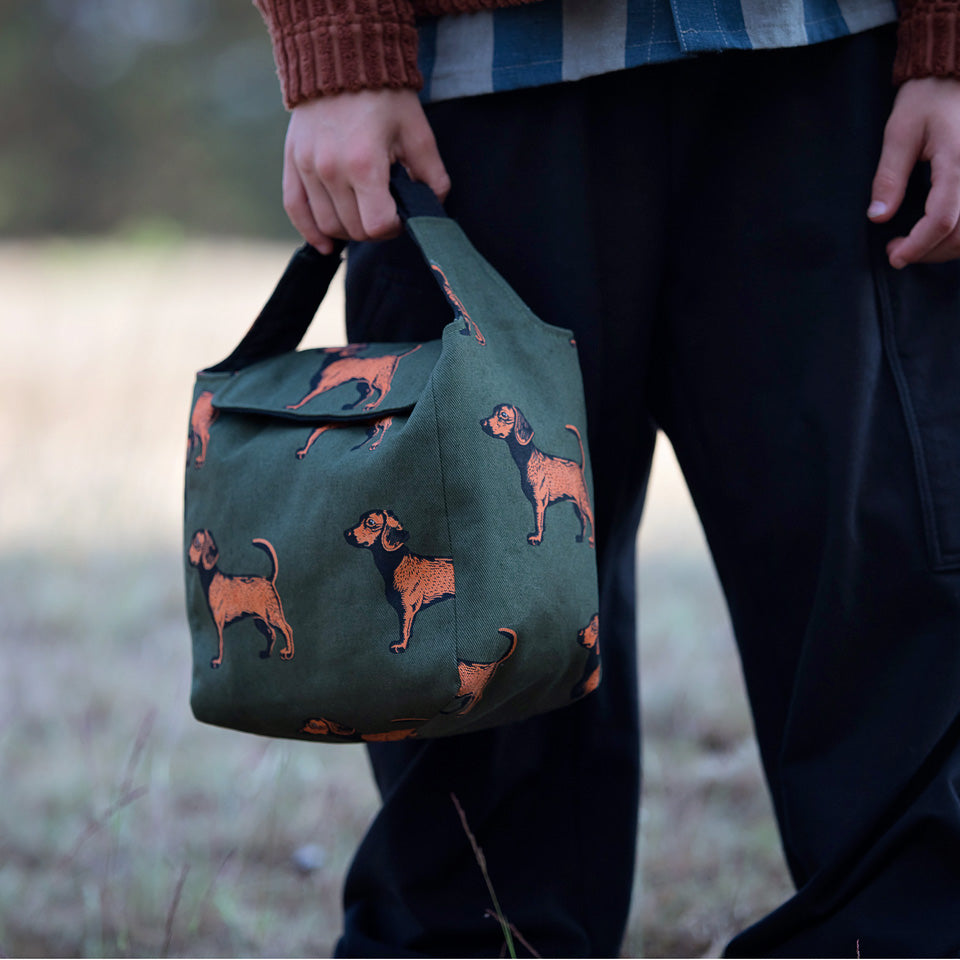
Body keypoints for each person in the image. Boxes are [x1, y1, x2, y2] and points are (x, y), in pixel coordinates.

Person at [253, 1, 960, 956]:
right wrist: (336, 49)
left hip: (834, 59)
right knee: (480, 647)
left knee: (881, 606)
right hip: (471, 90)